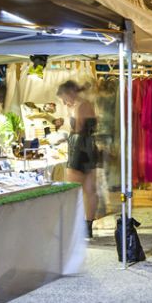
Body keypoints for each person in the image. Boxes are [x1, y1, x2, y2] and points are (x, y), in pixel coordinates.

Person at [58, 80, 104, 236]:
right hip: (90, 147)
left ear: (69, 93)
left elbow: (78, 128)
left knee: (72, 190)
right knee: (90, 190)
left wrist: (65, 136)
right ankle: (87, 226)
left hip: (78, 147)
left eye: (64, 98)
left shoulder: (79, 106)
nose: (64, 102)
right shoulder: (88, 104)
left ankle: (73, 226)